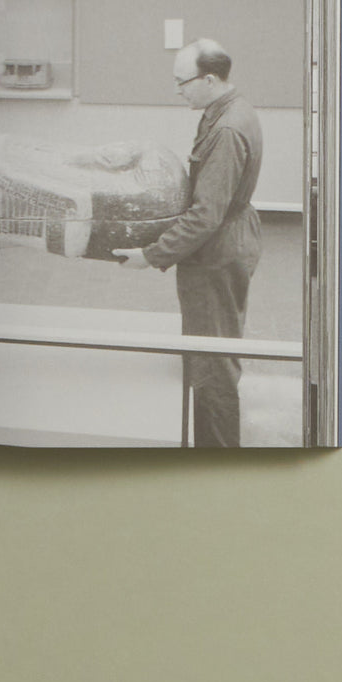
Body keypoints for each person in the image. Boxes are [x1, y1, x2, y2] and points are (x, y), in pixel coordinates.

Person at [112, 38, 262, 447]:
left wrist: (151, 254)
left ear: (209, 79)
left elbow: (206, 215)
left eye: (183, 82)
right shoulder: (227, 110)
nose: (178, 90)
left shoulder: (227, 129)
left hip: (216, 253)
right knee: (211, 353)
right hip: (226, 243)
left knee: (212, 362)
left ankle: (217, 459)